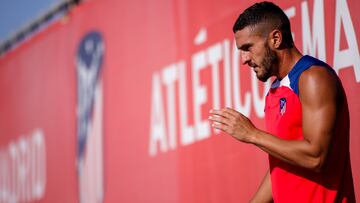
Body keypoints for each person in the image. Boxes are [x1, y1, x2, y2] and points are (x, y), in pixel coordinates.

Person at [208, 1, 355, 202]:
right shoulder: (274, 92)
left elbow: (315, 157)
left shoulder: (313, 78)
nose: (243, 59)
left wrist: (252, 134)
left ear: (276, 39)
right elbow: (282, 165)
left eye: (248, 48)